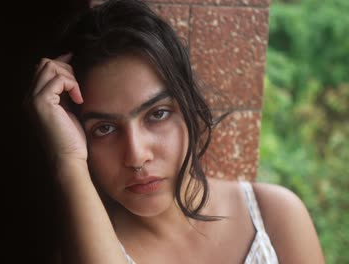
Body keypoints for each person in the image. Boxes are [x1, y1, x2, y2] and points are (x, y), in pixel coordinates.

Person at [27, 0, 325, 263]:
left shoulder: (275, 217)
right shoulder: (86, 252)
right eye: (104, 129)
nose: (136, 155)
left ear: (190, 106)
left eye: (157, 114)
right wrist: (68, 161)